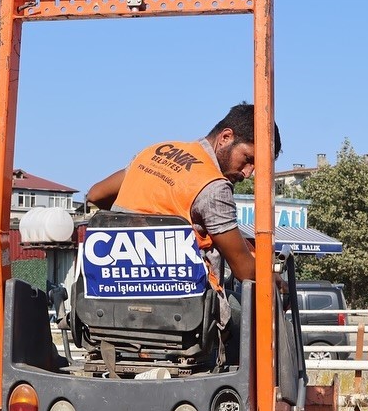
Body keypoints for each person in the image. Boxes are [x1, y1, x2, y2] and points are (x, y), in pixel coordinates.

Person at [86, 103, 281, 294]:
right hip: (185, 308)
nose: (248, 173)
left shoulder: (156, 152)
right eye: (248, 159)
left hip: (114, 293)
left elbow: (95, 194)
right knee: (263, 310)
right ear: (226, 137)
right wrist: (275, 275)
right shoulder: (214, 186)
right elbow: (245, 271)